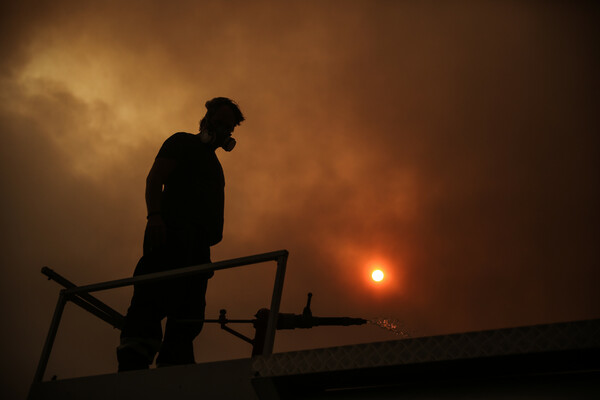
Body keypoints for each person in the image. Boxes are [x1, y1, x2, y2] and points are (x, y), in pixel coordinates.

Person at [117, 97, 245, 371]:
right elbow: (155, 179)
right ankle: (133, 363)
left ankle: (175, 365)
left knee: (189, 314)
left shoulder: (215, 166)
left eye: (229, 128)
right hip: (168, 238)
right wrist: (154, 217)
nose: (224, 131)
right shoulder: (181, 142)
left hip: (198, 249)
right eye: (220, 123)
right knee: (149, 301)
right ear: (207, 120)